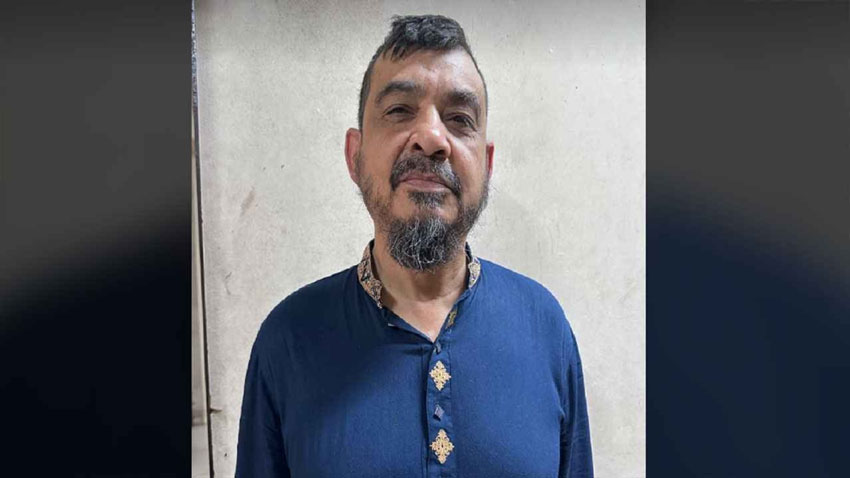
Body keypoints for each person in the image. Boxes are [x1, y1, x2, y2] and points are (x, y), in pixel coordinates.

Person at [235, 14, 593, 478]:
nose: (431, 138)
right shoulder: (288, 340)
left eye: (459, 119)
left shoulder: (544, 327)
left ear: (486, 165)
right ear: (355, 155)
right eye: (400, 111)